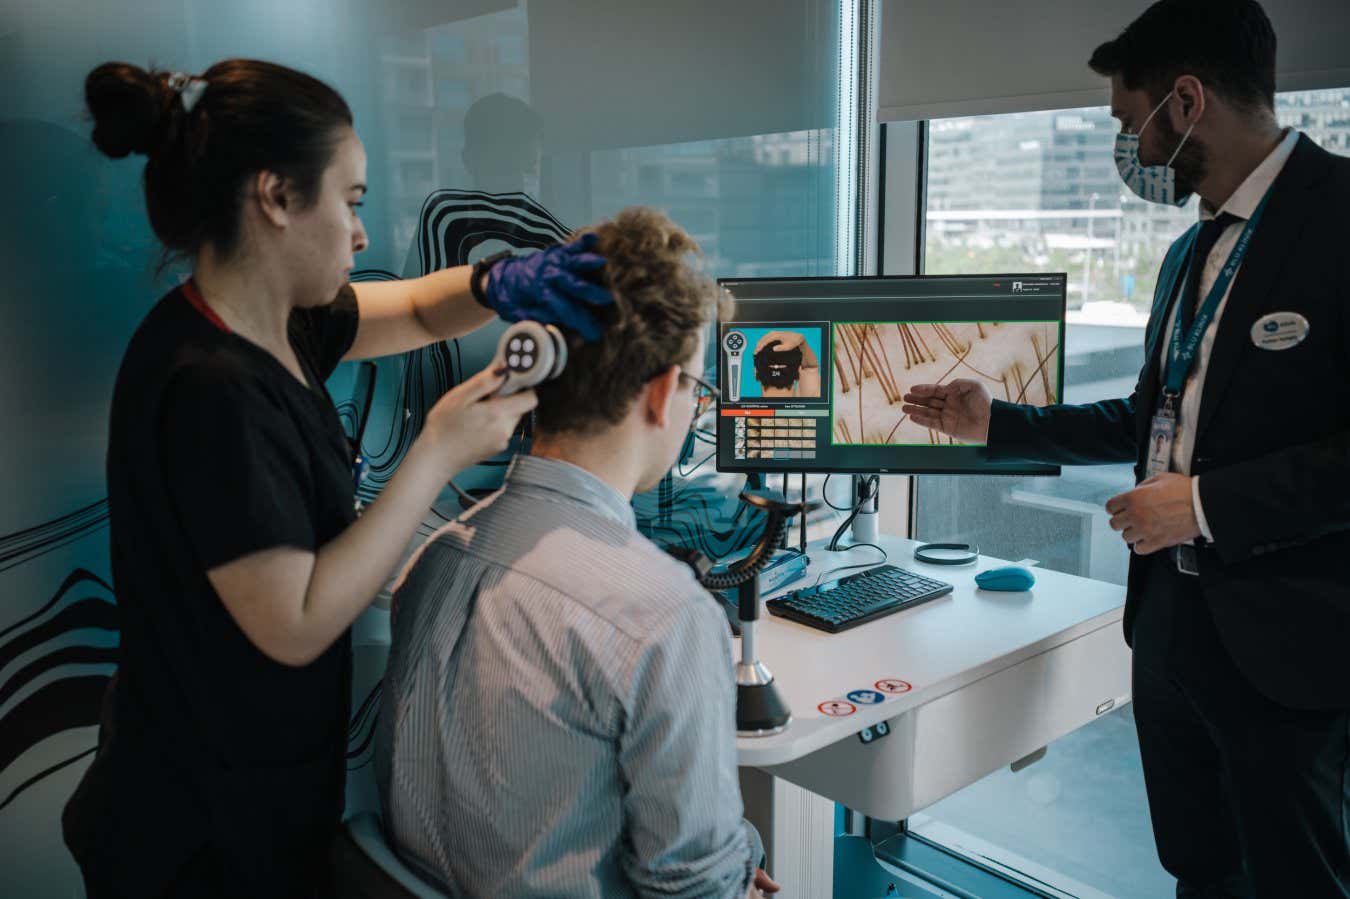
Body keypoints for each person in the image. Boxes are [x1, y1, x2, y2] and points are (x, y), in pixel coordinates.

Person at [62, 59, 614, 898]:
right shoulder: (208, 384)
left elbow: (419, 310)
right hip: (190, 828)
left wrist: (499, 281)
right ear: (277, 197)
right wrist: (437, 449)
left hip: (260, 789)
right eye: (350, 202)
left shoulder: (277, 325)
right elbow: (297, 620)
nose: (361, 234)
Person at [902, 2, 1350, 895]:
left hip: (1287, 650)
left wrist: (1206, 505)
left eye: (1129, 119)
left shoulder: (1341, 217)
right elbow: (1148, 417)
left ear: (1186, 102)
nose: (1130, 147)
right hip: (1171, 634)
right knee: (1199, 871)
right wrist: (998, 422)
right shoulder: (1189, 254)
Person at [377, 207, 781, 899]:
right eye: (699, 388)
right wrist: (738, 864)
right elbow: (695, 889)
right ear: (663, 393)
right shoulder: (666, 615)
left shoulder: (436, 558)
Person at [752, 330, 821, 398]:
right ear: (798, 370)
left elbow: (810, 368)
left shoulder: (747, 404)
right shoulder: (813, 400)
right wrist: (802, 342)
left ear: (756, 371)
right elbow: (810, 368)